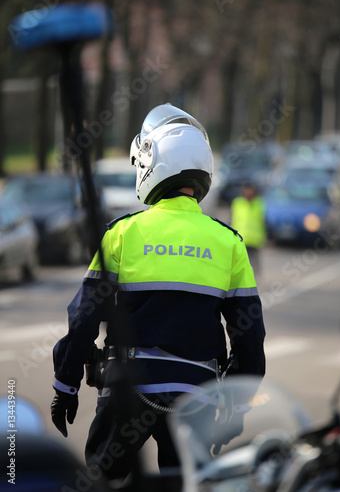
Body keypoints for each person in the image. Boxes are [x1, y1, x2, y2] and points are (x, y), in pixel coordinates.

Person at [51, 104, 266, 485]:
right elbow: (249, 338)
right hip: (196, 400)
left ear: (153, 162)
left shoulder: (123, 233)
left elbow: (84, 318)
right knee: (188, 484)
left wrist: (65, 385)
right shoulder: (229, 243)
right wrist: (236, 408)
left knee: (102, 481)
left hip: (125, 391)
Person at [230, 182, 267, 279]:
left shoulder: (260, 204)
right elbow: (231, 219)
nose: (247, 193)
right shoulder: (237, 203)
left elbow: (264, 221)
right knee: (239, 265)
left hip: (255, 240)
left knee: (254, 265)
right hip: (240, 240)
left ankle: (255, 282)